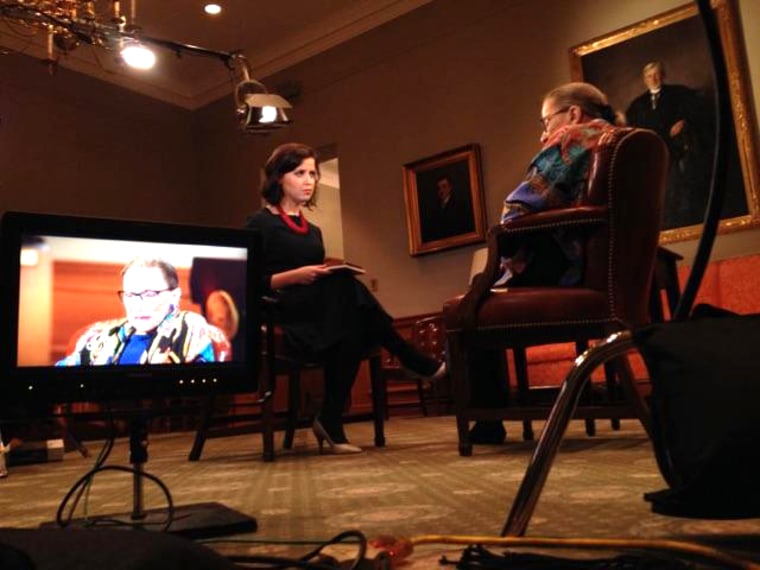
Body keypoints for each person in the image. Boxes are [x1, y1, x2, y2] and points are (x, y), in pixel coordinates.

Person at [245, 142, 446, 455]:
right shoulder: (260, 223)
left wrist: (321, 273)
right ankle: (409, 357)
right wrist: (296, 275)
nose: (309, 180)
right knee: (348, 292)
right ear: (279, 178)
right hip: (282, 310)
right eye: (300, 173)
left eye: (313, 173)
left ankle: (330, 420)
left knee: (352, 321)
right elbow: (251, 284)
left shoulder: (313, 231)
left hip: (318, 310)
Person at [469, 82, 623, 445]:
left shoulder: (575, 138)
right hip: (610, 271)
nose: (543, 133)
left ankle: (487, 419)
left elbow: (518, 208)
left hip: (571, 270)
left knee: (475, 299)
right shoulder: (623, 140)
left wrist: (505, 245)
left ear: (572, 113)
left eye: (545, 121)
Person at [57, 257, 225, 366]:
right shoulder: (109, 337)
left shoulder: (191, 327)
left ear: (175, 296)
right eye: (130, 295)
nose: (138, 305)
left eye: (150, 294)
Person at [625, 61, 713, 228]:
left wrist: (683, 121)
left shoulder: (678, 93)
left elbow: (696, 110)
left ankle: (680, 217)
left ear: (663, 75)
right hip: (651, 151)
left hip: (675, 147)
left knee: (676, 184)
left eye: (657, 74)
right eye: (650, 76)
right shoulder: (637, 104)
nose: (654, 79)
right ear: (644, 79)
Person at [421, 175, 474, 242]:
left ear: (450, 188)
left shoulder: (459, 205)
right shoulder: (434, 209)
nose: (441, 190)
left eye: (444, 187)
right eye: (439, 188)